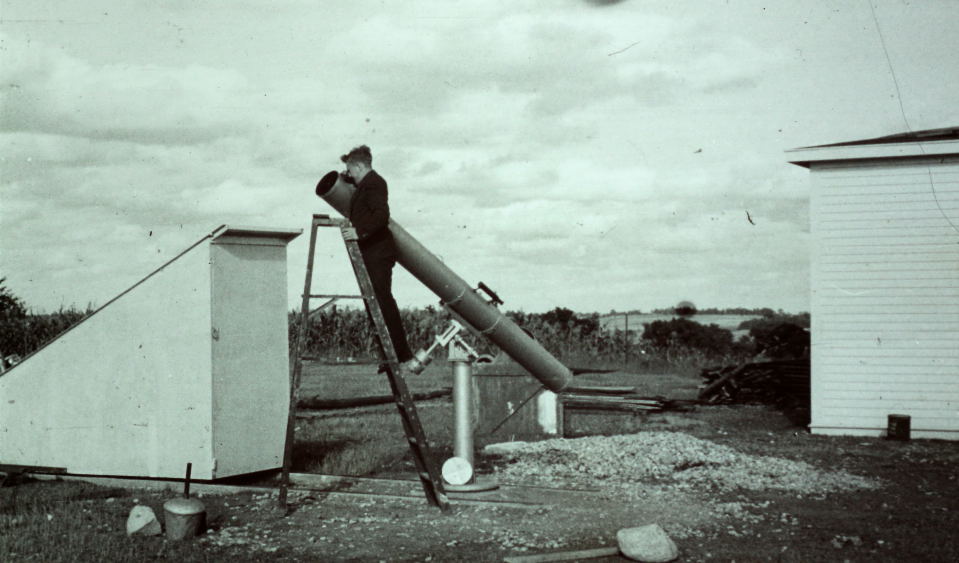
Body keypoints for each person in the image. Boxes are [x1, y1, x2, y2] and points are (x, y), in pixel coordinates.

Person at [338, 145, 414, 367]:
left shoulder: (374, 184)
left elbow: (381, 216)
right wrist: (346, 173)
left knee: (383, 301)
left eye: (351, 171)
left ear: (360, 166)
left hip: (378, 252)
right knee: (376, 302)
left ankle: (402, 353)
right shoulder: (367, 183)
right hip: (373, 252)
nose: (349, 175)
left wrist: (358, 232)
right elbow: (352, 178)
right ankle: (388, 352)